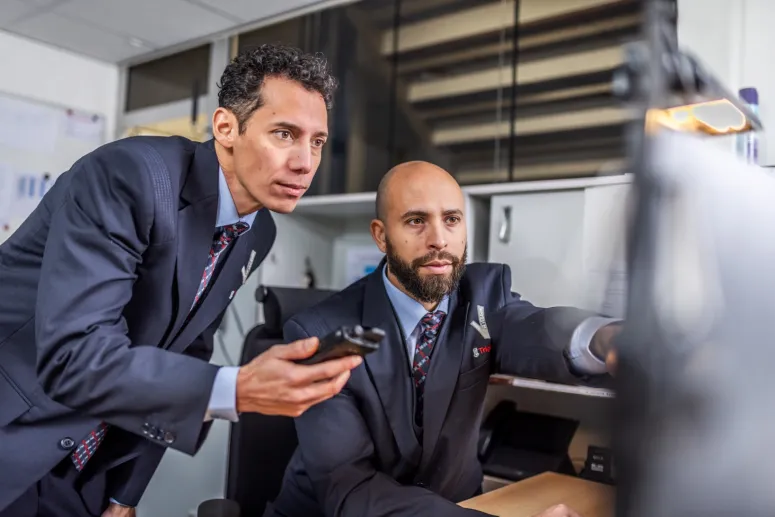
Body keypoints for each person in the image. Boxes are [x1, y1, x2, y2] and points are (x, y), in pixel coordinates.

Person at [0, 44, 362, 517]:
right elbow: (75, 353)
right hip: (15, 432)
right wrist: (235, 388)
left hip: (91, 464)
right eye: (284, 134)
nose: (305, 162)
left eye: (316, 142)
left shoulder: (259, 230)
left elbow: (186, 348)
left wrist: (124, 493)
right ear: (225, 127)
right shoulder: (129, 176)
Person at [267, 161, 620, 517]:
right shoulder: (322, 332)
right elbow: (353, 489)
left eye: (451, 219)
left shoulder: (482, 297)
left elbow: (536, 328)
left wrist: (604, 339)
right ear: (380, 235)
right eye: (416, 221)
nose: (439, 239)